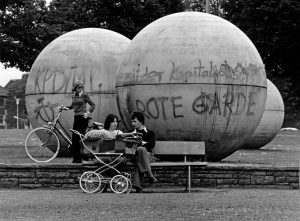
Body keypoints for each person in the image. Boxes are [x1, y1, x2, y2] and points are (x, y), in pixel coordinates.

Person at [66, 80, 95, 163]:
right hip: (76, 118)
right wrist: (64, 107)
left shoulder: (85, 95)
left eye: (82, 87)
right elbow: (72, 106)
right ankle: (76, 157)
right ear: (75, 88)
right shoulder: (74, 96)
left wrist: (88, 113)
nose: (80, 89)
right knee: (74, 138)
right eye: (79, 88)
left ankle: (81, 157)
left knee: (79, 137)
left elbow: (93, 105)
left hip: (83, 118)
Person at [131, 111, 157, 193]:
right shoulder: (131, 133)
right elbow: (130, 146)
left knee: (141, 150)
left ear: (141, 121)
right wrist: (142, 144)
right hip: (135, 156)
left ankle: (138, 187)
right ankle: (150, 175)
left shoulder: (149, 133)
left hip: (148, 156)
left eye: (135, 121)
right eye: (132, 121)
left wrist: (140, 144)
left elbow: (151, 145)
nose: (132, 123)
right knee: (140, 151)